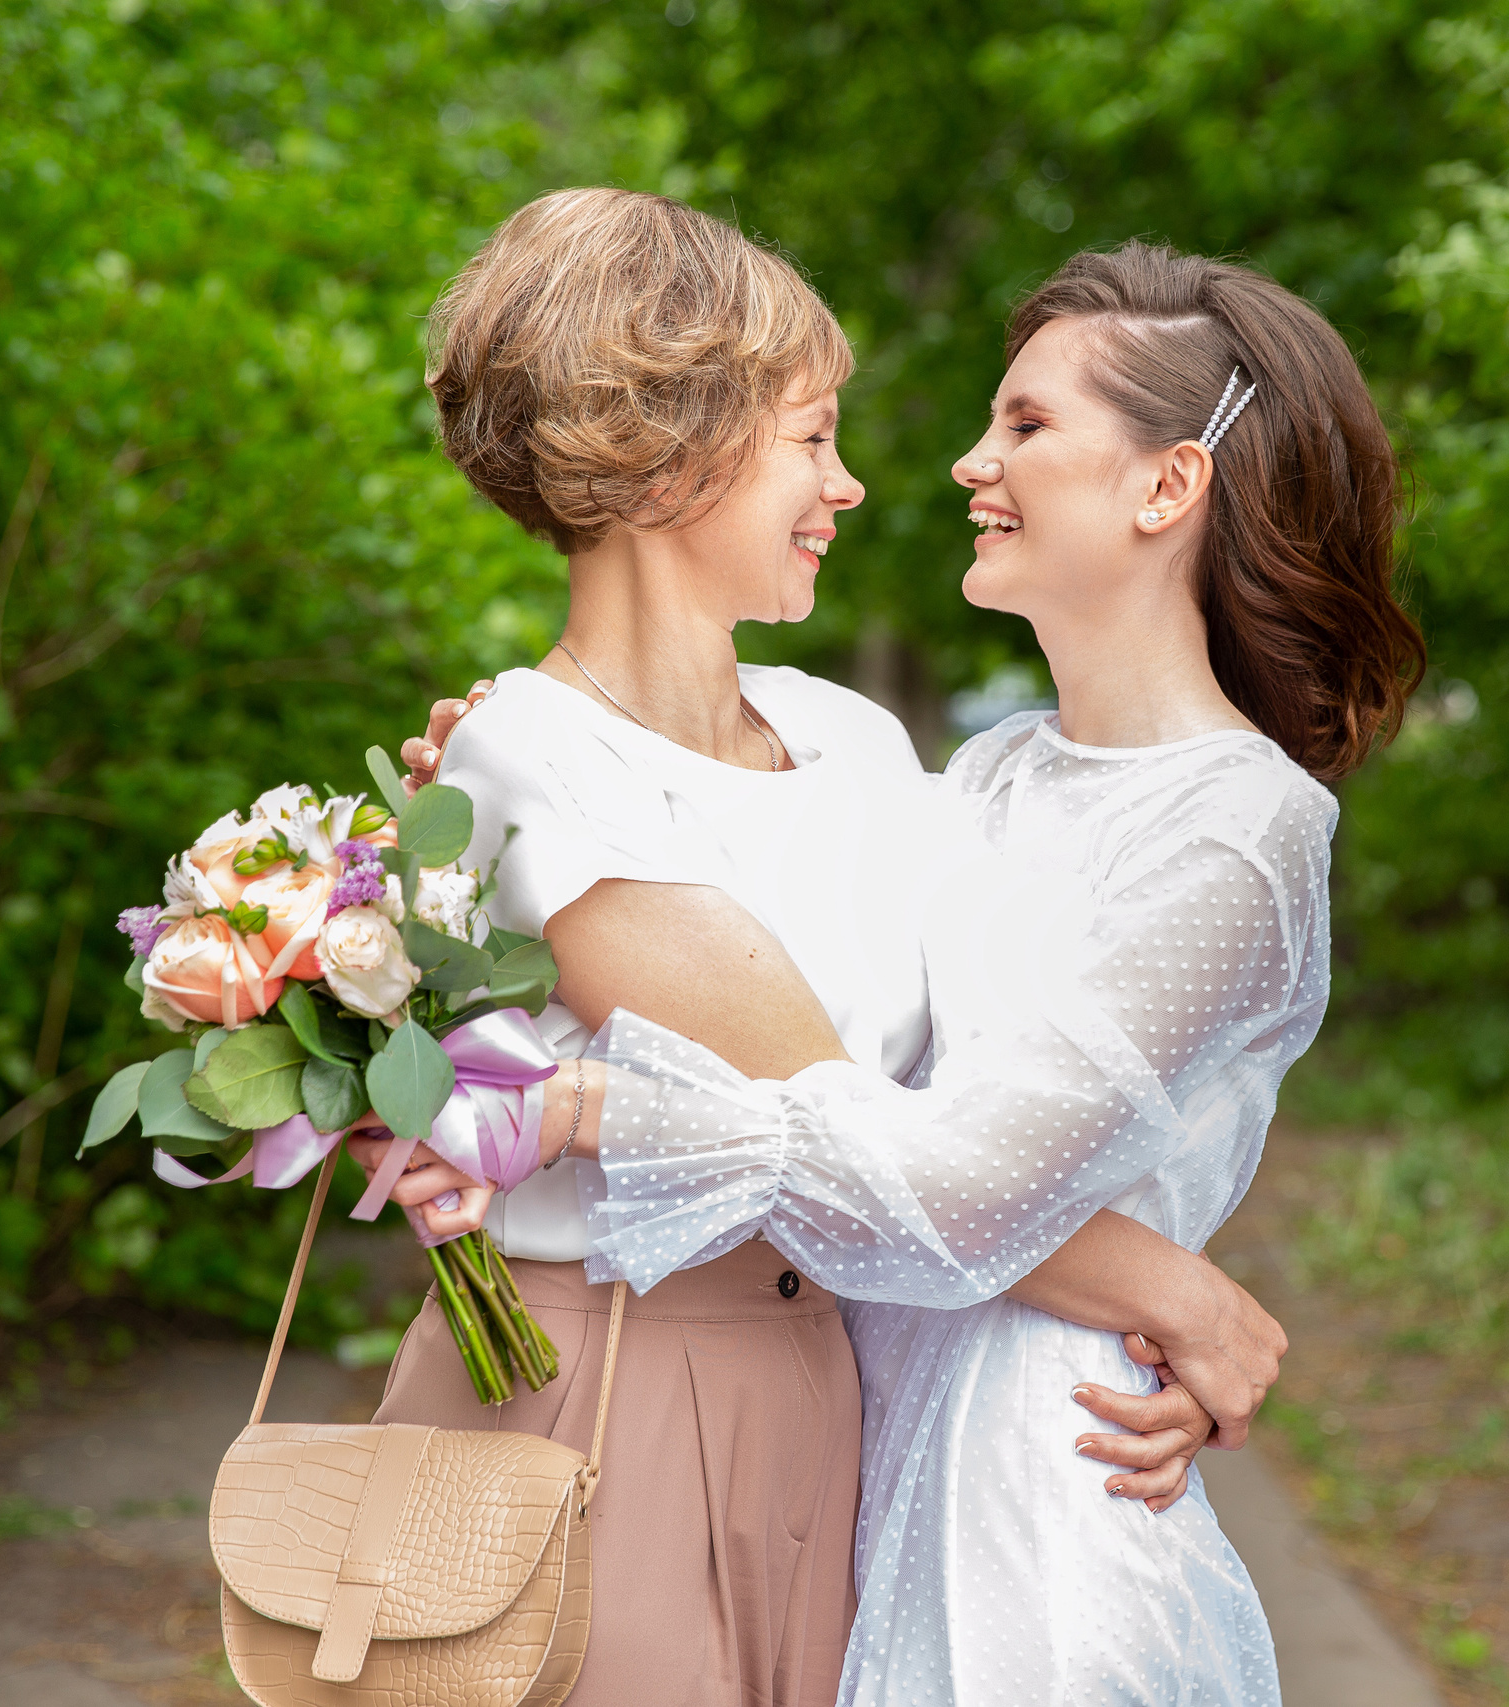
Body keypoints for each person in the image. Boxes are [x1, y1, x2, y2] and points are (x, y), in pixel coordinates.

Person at [393, 239, 1426, 1703]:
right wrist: (1176, 1295)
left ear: (1167, 488)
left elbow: (949, 1175)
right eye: (815, 438)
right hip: (816, 1410)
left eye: (1026, 422)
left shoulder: (1197, 823)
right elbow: (881, 1103)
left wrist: (580, 1107)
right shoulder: (982, 775)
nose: (942, 467)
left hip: (1018, 1466)